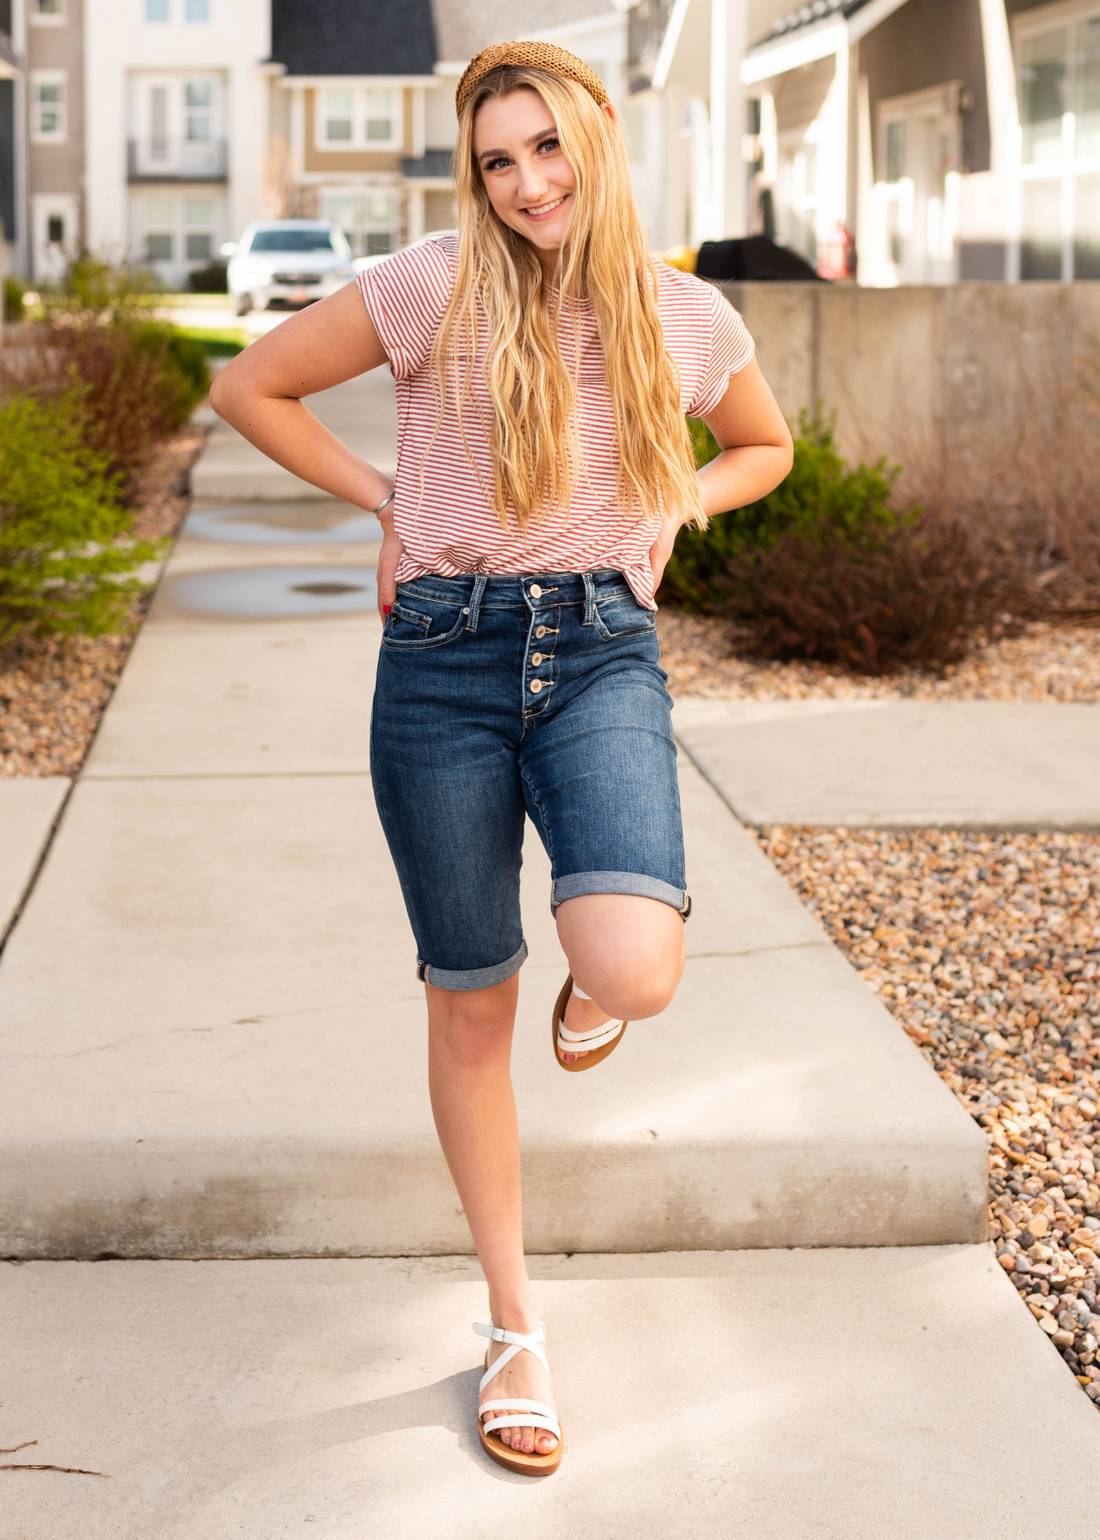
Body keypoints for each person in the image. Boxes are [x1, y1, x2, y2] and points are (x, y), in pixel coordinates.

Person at [211, 40, 793, 1478]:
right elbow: (252, 387)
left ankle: (595, 982)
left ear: (596, 139)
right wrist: (390, 501)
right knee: (471, 1004)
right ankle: (514, 1322)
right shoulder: (432, 286)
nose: (528, 183)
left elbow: (763, 445)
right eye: (497, 161)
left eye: (547, 147)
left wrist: (678, 503)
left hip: (599, 647)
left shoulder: (684, 311)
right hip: (442, 662)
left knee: (636, 968)